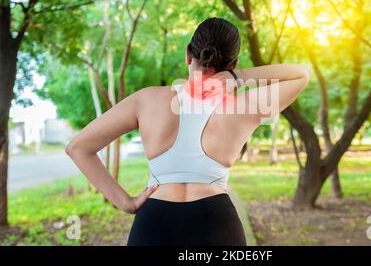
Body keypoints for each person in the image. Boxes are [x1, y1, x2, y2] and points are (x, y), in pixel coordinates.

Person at [65, 17, 312, 246]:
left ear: (187, 54)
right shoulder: (243, 106)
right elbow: (301, 74)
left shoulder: (147, 100)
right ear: (233, 63)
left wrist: (126, 203)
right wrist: (240, 77)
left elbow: (78, 148)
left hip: (154, 223)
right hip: (217, 223)